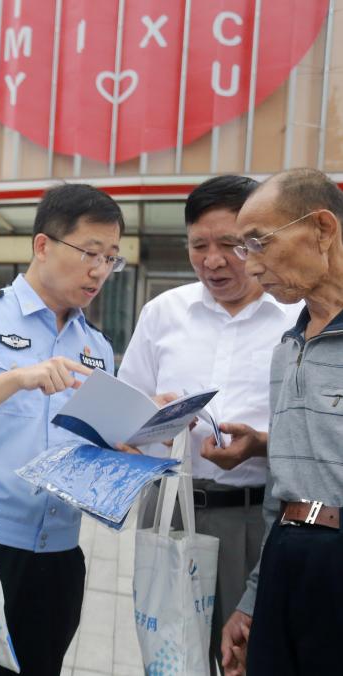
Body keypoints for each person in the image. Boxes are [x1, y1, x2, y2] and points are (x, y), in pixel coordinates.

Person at [0, 183, 126, 676]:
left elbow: (95, 444)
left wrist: (139, 431)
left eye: (111, 258)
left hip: (59, 555)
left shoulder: (96, 346)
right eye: (90, 253)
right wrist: (17, 379)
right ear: (42, 245)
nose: (99, 270)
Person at [117, 175, 300, 674]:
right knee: (173, 654)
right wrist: (152, 415)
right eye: (199, 245)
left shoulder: (297, 317)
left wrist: (258, 445)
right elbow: (124, 418)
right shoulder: (163, 313)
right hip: (171, 512)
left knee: (250, 654)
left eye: (231, 245)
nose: (213, 261)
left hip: (255, 514)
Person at [205, 168, 343, 676]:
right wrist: (253, 598)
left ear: (323, 229)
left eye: (259, 243)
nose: (251, 265)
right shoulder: (288, 346)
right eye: (245, 247)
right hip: (287, 554)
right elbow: (283, 491)